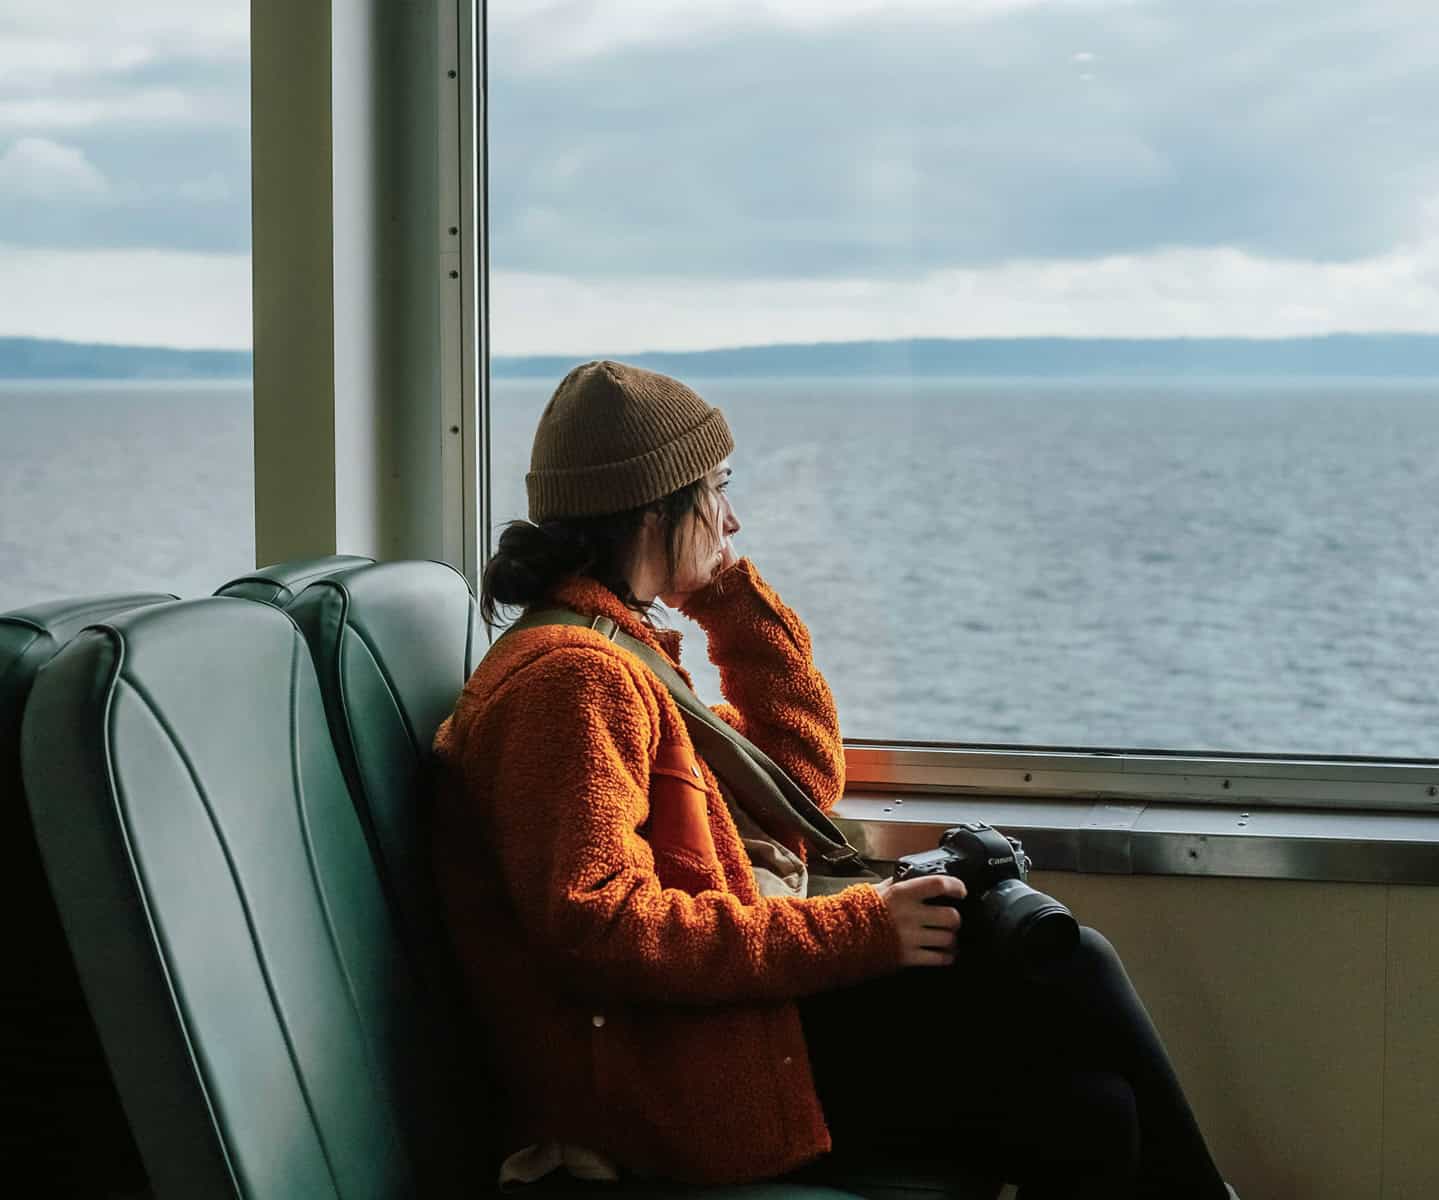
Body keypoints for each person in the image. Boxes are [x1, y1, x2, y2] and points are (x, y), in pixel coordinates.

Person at [431, 360, 1239, 1199]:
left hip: (718, 1026)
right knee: (1078, 1060)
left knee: (1068, 1026)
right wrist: (861, 933)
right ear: (654, 508)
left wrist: (727, 592)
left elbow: (799, 783)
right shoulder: (571, 680)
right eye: (718, 490)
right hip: (675, 1075)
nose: (733, 518)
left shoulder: (617, 653)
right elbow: (604, 931)